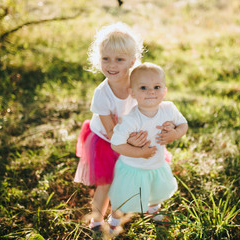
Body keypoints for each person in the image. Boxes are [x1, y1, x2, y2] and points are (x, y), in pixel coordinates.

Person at [74, 22, 174, 233]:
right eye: (106, 59)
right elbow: (111, 131)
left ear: (132, 61)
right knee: (107, 182)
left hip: (135, 135)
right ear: (98, 59)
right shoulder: (102, 93)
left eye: (119, 59)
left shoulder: (137, 82)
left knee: (147, 169)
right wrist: (131, 144)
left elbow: (149, 105)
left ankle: (151, 206)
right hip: (107, 140)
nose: (112, 65)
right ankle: (97, 220)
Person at [107, 62, 189, 233]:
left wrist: (175, 134)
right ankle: (115, 219)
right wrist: (139, 152)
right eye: (143, 87)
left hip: (157, 164)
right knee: (123, 197)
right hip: (133, 167)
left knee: (156, 189)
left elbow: (183, 124)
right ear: (133, 93)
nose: (151, 91)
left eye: (156, 87)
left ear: (164, 91)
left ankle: (153, 209)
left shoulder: (169, 109)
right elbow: (116, 144)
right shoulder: (131, 119)